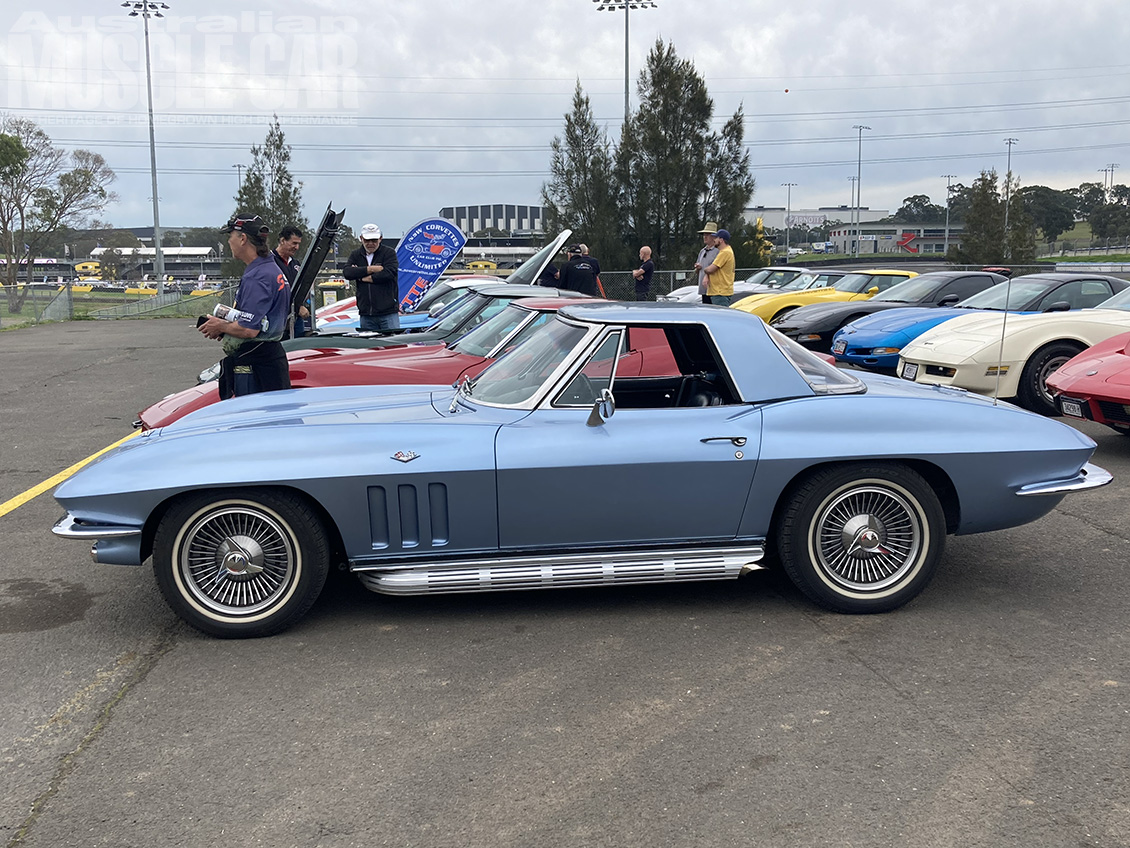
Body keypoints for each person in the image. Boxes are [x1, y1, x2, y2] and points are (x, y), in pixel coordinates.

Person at [198, 214, 291, 399]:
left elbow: (249, 329)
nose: (229, 241)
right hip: (270, 359)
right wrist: (226, 327)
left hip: (256, 366)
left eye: (230, 235)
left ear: (242, 238)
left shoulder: (258, 276)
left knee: (252, 416)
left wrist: (220, 326)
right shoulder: (271, 268)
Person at [343, 223, 400, 332]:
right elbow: (348, 273)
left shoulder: (389, 253)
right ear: (361, 238)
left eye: (374, 240)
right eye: (367, 240)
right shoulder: (356, 254)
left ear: (380, 239)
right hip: (366, 314)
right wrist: (371, 269)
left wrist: (361, 276)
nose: (370, 244)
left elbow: (389, 273)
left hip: (388, 313)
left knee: (392, 341)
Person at [272, 225, 306, 336]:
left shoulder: (296, 264)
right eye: (294, 243)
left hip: (296, 318)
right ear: (282, 241)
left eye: (299, 244)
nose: (297, 247)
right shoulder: (270, 262)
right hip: (277, 319)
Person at [703, 228, 736, 306]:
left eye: (716, 238)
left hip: (720, 293)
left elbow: (711, 269)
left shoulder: (725, 252)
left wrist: (705, 269)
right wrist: (707, 275)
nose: (714, 240)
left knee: (720, 313)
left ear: (721, 240)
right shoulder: (726, 251)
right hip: (720, 292)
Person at [692, 222, 719, 302]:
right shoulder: (702, 251)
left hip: (714, 290)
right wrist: (698, 268)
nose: (705, 237)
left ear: (714, 237)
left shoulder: (718, 251)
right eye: (704, 234)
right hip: (704, 290)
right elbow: (697, 272)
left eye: (707, 234)